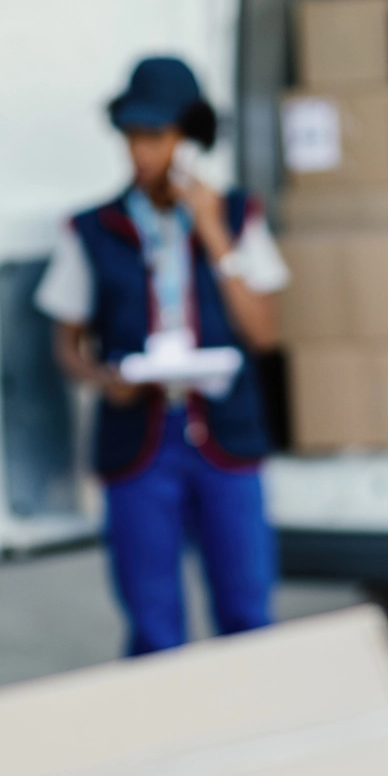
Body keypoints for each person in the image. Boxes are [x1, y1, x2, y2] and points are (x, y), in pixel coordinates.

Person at [35, 55, 290, 657]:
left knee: (247, 611)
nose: (141, 152)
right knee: (153, 625)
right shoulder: (92, 229)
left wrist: (214, 234)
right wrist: (104, 378)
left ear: (187, 139)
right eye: (132, 137)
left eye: (155, 136)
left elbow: (264, 333)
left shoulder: (237, 216)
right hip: (140, 443)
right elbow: (66, 344)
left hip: (225, 436)